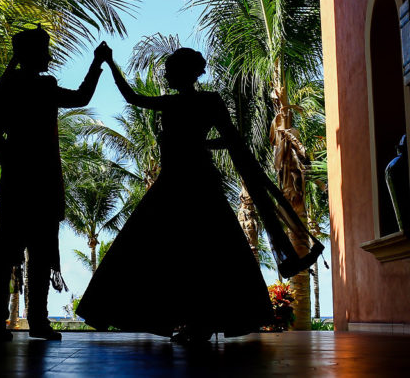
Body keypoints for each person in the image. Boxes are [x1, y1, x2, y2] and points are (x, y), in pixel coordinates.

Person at [76, 46, 321, 344]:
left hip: (182, 184)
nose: (166, 74)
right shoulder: (206, 101)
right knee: (202, 252)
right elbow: (229, 137)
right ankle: (194, 323)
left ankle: (191, 323)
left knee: (174, 250)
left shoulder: (178, 103)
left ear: (183, 73)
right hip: (194, 182)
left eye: (170, 70)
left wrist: (109, 62)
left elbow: (133, 97)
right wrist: (200, 145)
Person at [0, 28, 111, 341]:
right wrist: (97, 64)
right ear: (32, 54)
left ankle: (3, 322)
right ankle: (35, 321)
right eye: (44, 50)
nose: (48, 56)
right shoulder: (42, 87)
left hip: (21, 183)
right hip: (40, 183)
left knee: (8, 254)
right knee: (34, 255)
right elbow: (82, 97)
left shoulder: (6, 89)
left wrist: (12, 162)